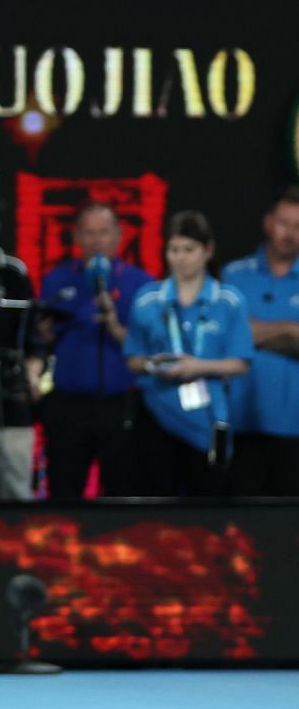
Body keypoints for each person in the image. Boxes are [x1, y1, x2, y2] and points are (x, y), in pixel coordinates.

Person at [123, 210, 253, 497]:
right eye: (174, 249)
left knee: (206, 507)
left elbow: (241, 363)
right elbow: (132, 358)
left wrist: (197, 366)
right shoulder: (147, 300)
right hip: (157, 413)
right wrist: (153, 364)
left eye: (189, 250)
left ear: (208, 250)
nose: (180, 258)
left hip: (207, 419)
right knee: (156, 504)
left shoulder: (229, 301)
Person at [37, 203, 153, 499]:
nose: (96, 241)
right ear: (76, 237)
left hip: (120, 404)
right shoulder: (56, 280)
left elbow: (150, 348)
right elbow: (41, 340)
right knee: (63, 491)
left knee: (123, 491)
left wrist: (114, 325)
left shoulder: (141, 285)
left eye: (103, 232)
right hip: (67, 406)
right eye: (88, 233)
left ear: (119, 235)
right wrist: (43, 335)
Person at [220, 189, 299, 496]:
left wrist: (252, 331)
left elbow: (243, 334)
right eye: (284, 223)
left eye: (298, 226)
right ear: (268, 223)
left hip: (294, 427)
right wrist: (291, 332)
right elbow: (226, 337)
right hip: (241, 424)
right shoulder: (233, 274)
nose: (290, 234)